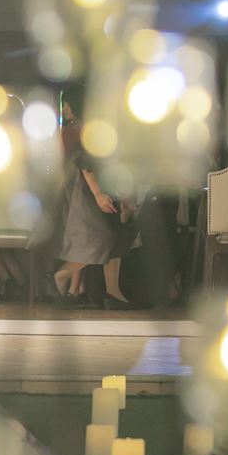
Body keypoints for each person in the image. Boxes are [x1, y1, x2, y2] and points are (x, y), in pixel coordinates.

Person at [51, 84, 133, 309]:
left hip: (96, 188)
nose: (64, 109)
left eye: (67, 105)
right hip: (89, 190)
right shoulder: (87, 128)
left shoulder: (89, 126)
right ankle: (63, 276)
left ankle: (113, 293)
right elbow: (85, 163)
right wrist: (98, 194)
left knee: (112, 239)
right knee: (102, 239)